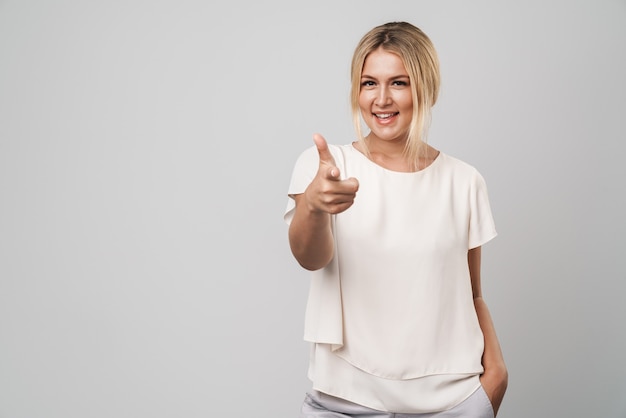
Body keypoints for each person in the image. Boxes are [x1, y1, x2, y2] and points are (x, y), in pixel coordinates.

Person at [284, 21, 508, 417]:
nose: (381, 99)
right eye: (369, 83)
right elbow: (310, 257)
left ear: (426, 87)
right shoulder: (327, 166)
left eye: (399, 83)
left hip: (451, 404)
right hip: (346, 403)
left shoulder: (464, 181)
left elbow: (472, 293)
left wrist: (496, 379)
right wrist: (314, 207)